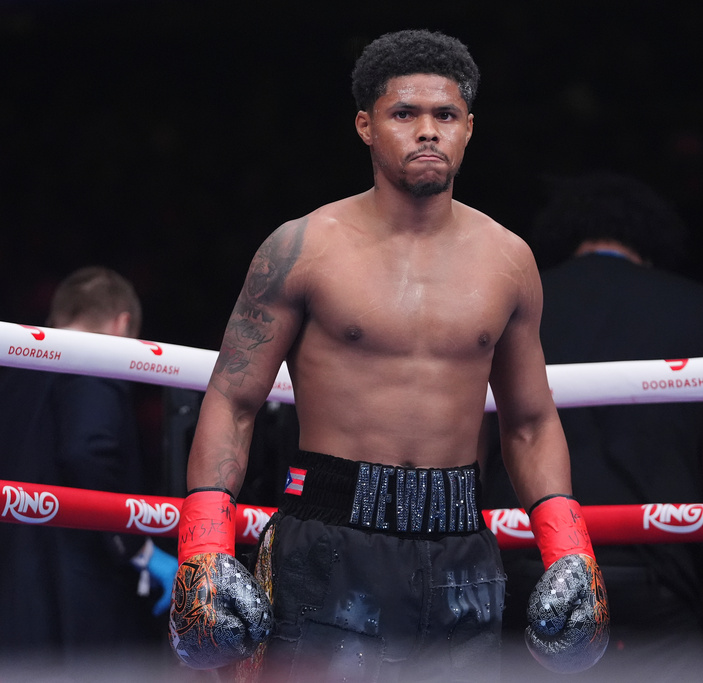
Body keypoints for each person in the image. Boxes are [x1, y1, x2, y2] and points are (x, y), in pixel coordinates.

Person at [167, 30, 609, 683]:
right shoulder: (302, 248)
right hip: (331, 532)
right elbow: (233, 397)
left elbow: (529, 420)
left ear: (468, 129)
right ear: (366, 125)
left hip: (462, 542)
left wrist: (569, 546)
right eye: (405, 114)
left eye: (445, 116)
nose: (427, 131)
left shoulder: (508, 260)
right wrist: (203, 542)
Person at [485, 171, 703, 682]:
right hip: (654, 572)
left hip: (527, 562)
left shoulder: (514, 304)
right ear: (653, 242)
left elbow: (466, 445)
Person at [0, 266, 177, 670]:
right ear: (122, 324)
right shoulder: (92, 365)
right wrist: (138, 550)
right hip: (67, 618)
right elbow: (86, 453)